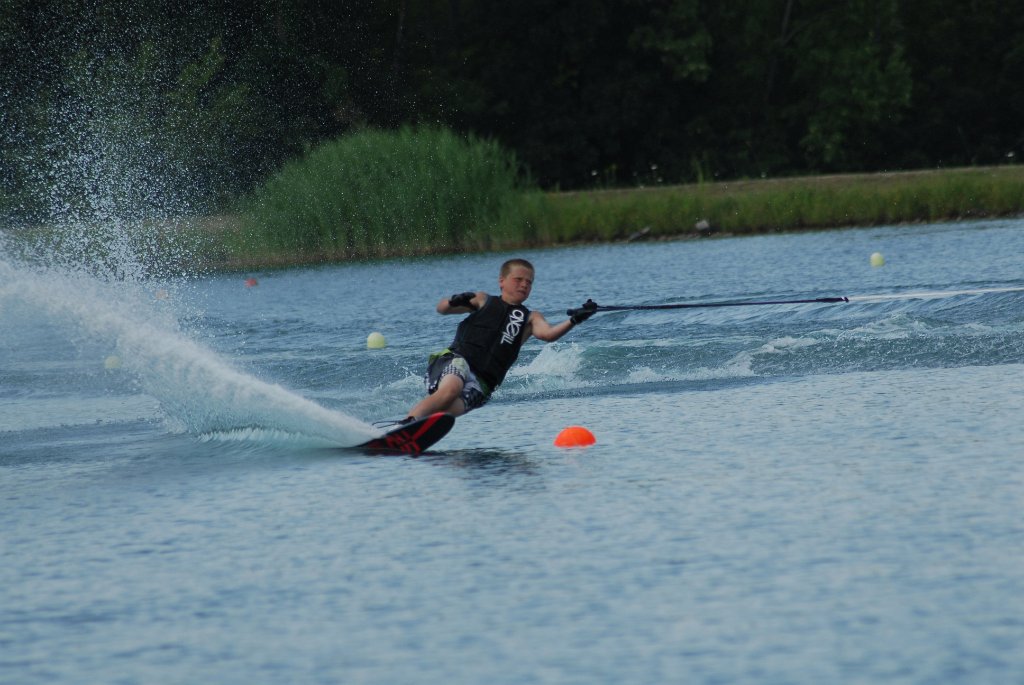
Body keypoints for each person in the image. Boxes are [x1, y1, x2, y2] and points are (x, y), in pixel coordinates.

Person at [404, 258, 596, 421]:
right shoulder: (482, 300)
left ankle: (419, 426)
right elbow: (442, 309)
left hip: (483, 382)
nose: (524, 285)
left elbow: (549, 334)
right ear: (501, 281)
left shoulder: (531, 318)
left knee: (451, 410)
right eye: (518, 279)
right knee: (451, 389)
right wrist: (454, 300)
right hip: (456, 361)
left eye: (529, 282)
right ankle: (407, 422)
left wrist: (574, 320)